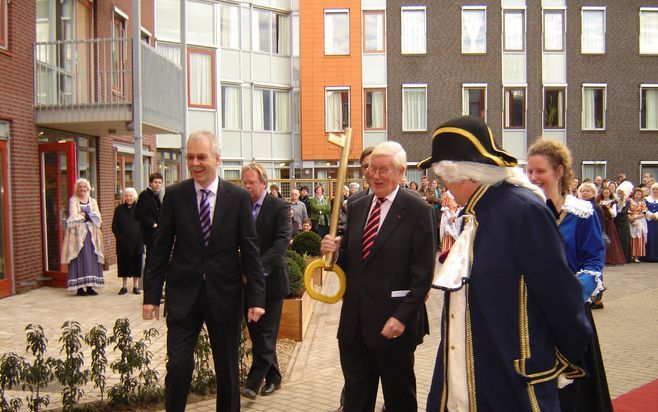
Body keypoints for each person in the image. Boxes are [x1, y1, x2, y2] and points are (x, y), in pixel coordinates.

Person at [422, 116, 592, 412]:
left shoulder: (522, 211)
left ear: (462, 176)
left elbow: (562, 300)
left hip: (511, 381)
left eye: (443, 177)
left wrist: (556, 362)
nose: (444, 185)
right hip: (466, 373)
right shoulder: (474, 214)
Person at [142, 131, 266, 412]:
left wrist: (257, 299)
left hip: (224, 296)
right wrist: (151, 296)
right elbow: (160, 250)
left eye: (201, 157)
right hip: (183, 295)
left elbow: (250, 250)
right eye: (190, 157)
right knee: (179, 364)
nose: (195, 163)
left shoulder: (237, 197)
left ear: (217, 159)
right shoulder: (175, 195)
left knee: (227, 369)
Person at [321, 141, 435, 412]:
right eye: (372, 169)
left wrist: (401, 317)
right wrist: (336, 253)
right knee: (356, 401)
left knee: (399, 400)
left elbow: (423, 276)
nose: (376, 175)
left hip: (392, 326)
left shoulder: (419, 211)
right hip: (354, 325)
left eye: (384, 170)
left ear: (401, 172)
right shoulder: (358, 204)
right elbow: (354, 260)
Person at [527, 138, 612, 411]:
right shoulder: (526, 212)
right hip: (531, 315)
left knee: (573, 389)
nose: (533, 177)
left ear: (559, 171)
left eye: (540, 171)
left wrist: (567, 295)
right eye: (529, 171)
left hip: (570, 312)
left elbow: (593, 262)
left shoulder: (583, 213)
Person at [240, 164, 292, 400]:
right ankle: (274, 377)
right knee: (256, 331)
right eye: (245, 183)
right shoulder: (240, 206)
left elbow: (282, 241)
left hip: (271, 280)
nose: (247, 187)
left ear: (263, 183)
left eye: (251, 182)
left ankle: (253, 382)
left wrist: (256, 268)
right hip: (245, 282)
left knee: (267, 332)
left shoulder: (279, 206)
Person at [62, 178, 105, 296]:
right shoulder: (74, 200)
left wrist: (85, 215)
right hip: (78, 236)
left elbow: (97, 216)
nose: (82, 189)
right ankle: (80, 288)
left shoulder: (93, 201)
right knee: (79, 258)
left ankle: (90, 286)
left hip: (92, 235)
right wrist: (87, 216)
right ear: (77, 188)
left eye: (84, 187)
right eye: (80, 187)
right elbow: (73, 216)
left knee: (91, 258)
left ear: (88, 188)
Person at [112, 187, 143, 295]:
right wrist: (119, 237)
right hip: (123, 243)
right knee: (123, 264)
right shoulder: (119, 209)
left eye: (131, 196)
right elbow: (114, 226)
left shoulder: (140, 208)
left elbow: (143, 225)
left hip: (137, 242)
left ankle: (135, 286)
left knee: (136, 264)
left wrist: (140, 237)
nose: (129, 198)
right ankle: (124, 286)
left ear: (134, 197)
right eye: (127, 196)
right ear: (124, 197)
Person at [135, 172, 163, 264]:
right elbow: (138, 214)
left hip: (156, 232)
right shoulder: (145, 195)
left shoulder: (156, 196)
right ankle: (148, 278)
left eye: (160, 182)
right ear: (150, 183)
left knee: (154, 258)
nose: (158, 185)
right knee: (151, 259)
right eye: (155, 182)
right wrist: (152, 223)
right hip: (150, 232)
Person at [596, 187, 627, 266]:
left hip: (609, 223)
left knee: (611, 240)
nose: (606, 194)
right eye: (604, 193)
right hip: (601, 223)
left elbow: (614, 214)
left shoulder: (613, 202)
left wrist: (609, 208)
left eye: (607, 193)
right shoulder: (599, 202)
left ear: (610, 193)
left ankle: (611, 258)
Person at [628, 187, 648, 263]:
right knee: (631, 237)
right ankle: (631, 255)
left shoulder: (642, 203)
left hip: (640, 220)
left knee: (639, 238)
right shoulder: (629, 202)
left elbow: (644, 213)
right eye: (637, 194)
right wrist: (631, 218)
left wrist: (636, 217)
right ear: (634, 194)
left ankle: (637, 256)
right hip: (631, 220)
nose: (638, 196)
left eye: (639, 194)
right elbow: (628, 212)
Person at [614, 188, 632, 263]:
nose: (620, 195)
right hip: (617, 221)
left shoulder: (627, 202)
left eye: (622, 194)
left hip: (624, 221)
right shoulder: (615, 202)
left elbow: (624, 211)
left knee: (625, 238)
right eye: (619, 194)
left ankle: (626, 257)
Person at [644, 183, 658, 261]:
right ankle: (649, 256)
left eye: (657, 189)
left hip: (657, 221)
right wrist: (650, 214)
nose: (655, 191)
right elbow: (644, 208)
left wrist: (656, 215)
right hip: (649, 221)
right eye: (654, 189)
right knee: (649, 237)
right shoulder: (646, 199)